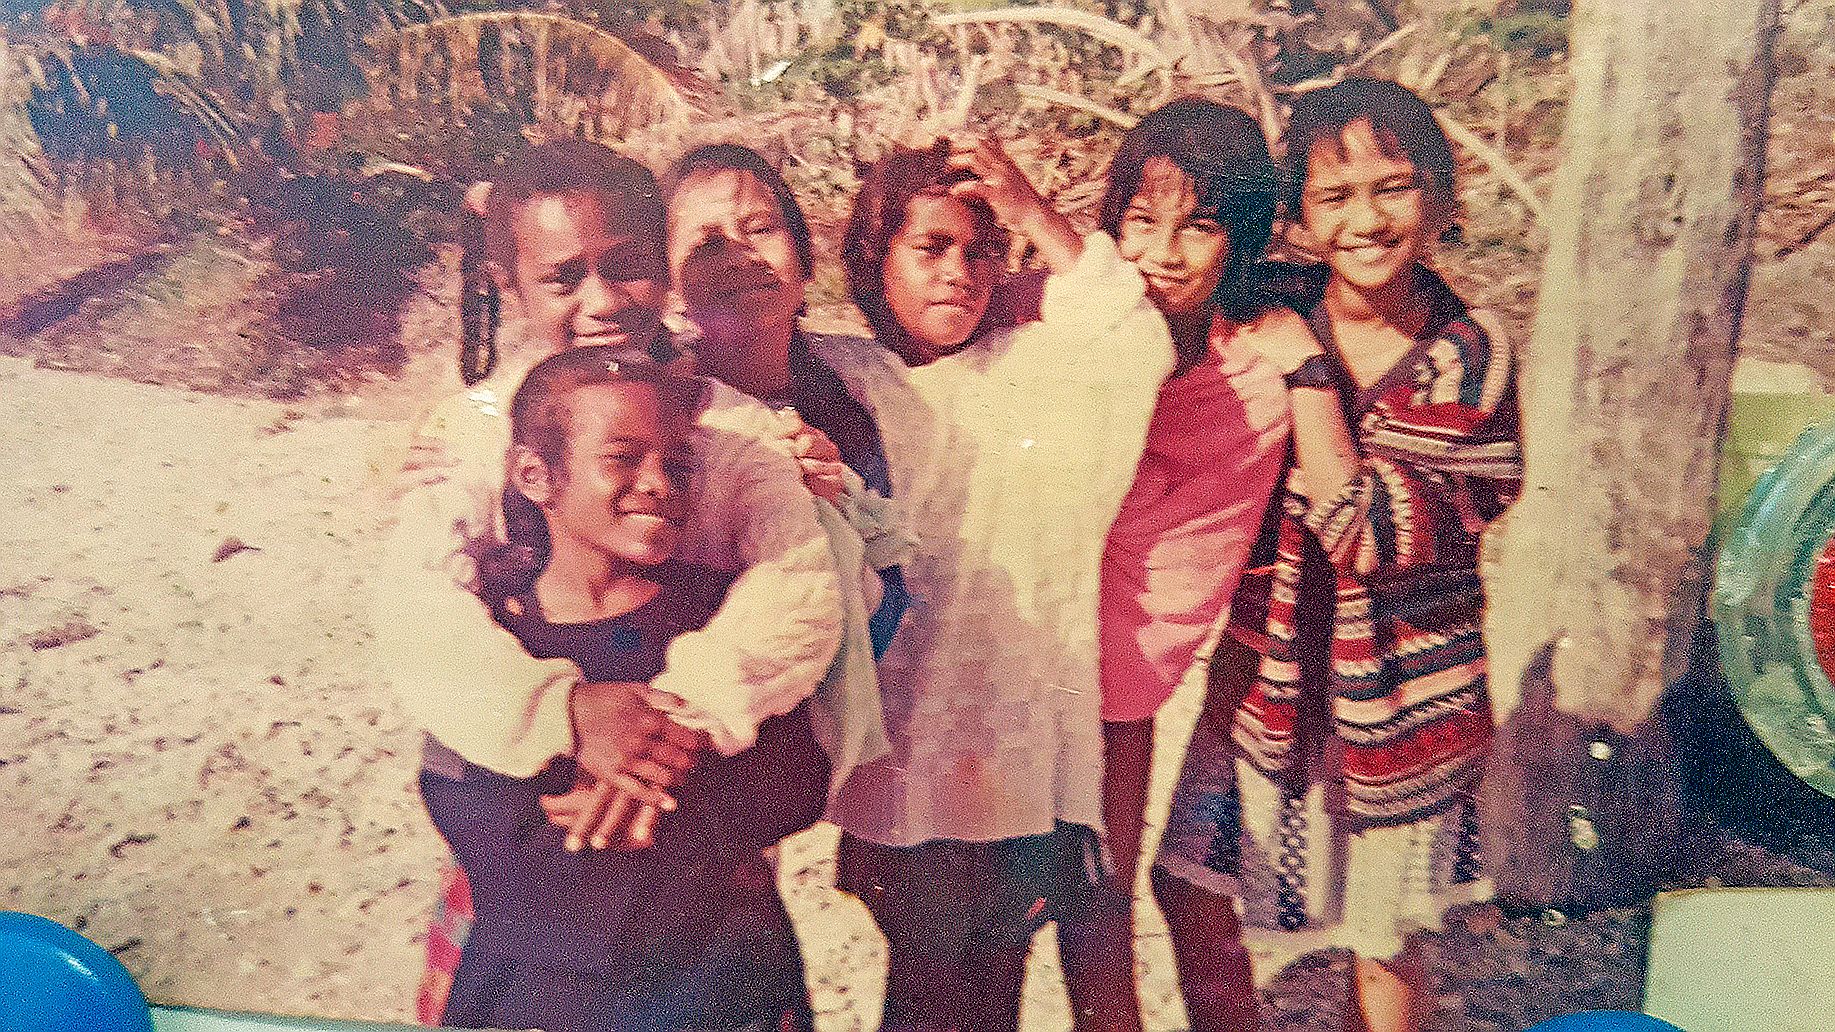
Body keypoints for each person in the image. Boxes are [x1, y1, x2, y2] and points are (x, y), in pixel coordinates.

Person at [374, 140, 849, 1022]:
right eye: (563, 278)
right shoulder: (474, 435)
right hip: (533, 834)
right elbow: (416, 605)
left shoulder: (737, 430)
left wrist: (676, 718)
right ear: (509, 283)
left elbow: (795, 581)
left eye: (626, 268)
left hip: (704, 815)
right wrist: (562, 713)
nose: (600, 303)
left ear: (663, 264)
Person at [1152, 78, 1524, 1032]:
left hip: (1403, 694)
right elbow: (1148, 297)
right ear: (1299, 218)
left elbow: (1367, 530)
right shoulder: (1274, 299)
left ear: (1442, 200)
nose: (1366, 219)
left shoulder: (1464, 352)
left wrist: (1309, 376)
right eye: (1334, 196)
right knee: (1188, 882)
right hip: (1262, 674)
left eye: (1393, 187)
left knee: (1383, 933)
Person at [818, 137, 1174, 1032]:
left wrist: (1028, 209)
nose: (960, 274)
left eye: (980, 251)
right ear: (874, 256)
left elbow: (1136, 339)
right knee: (925, 989)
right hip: (903, 751)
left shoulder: (1033, 367)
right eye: (930, 248)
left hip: (1015, 749)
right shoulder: (842, 379)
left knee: (997, 983)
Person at [422, 347, 829, 1032]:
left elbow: (798, 776)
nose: (657, 483)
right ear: (534, 474)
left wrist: (658, 801)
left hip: (720, 973)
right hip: (545, 978)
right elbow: (457, 789)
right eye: (622, 457)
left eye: (676, 465)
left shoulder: (719, 619)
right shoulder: (499, 638)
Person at [1058, 98, 1296, 1032]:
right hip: (1036, 633)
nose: (1162, 252)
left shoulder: (1257, 365)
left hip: (1130, 662)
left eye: (1198, 226)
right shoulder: (1074, 321)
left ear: (1239, 237)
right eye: (1140, 221)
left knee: (1107, 882)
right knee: (1037, 894)